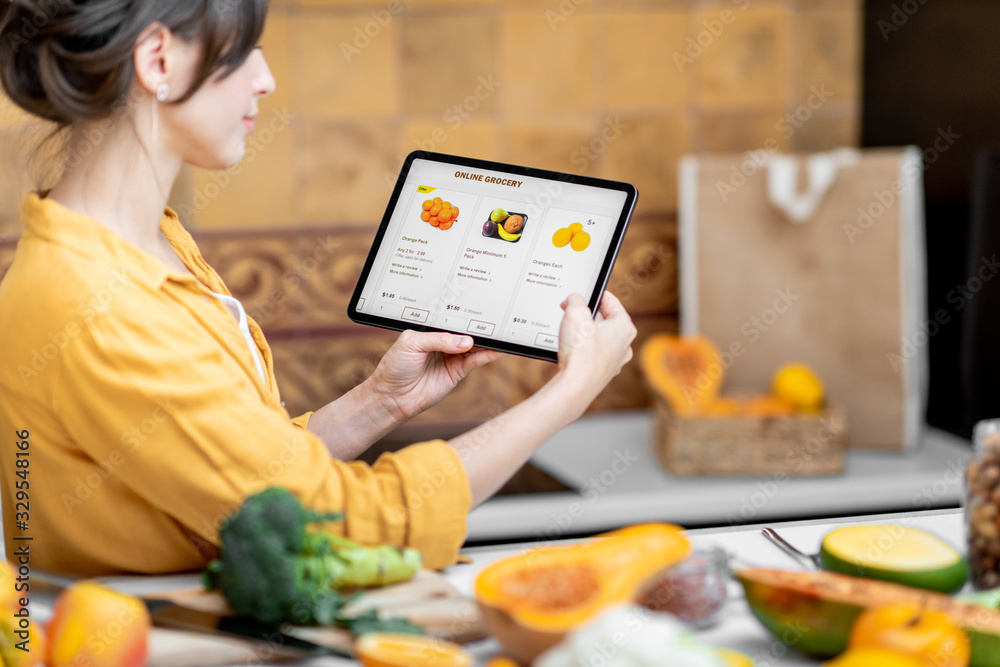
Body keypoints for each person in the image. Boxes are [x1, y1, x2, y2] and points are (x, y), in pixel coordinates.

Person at [0, 0, 636, 577]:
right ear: (159, 59)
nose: (266, 79)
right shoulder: (96, 303)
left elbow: (251, 483)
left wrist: (380, 404)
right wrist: (572, 389)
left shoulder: (148, 246)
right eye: (244, 49)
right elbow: (335, 521)